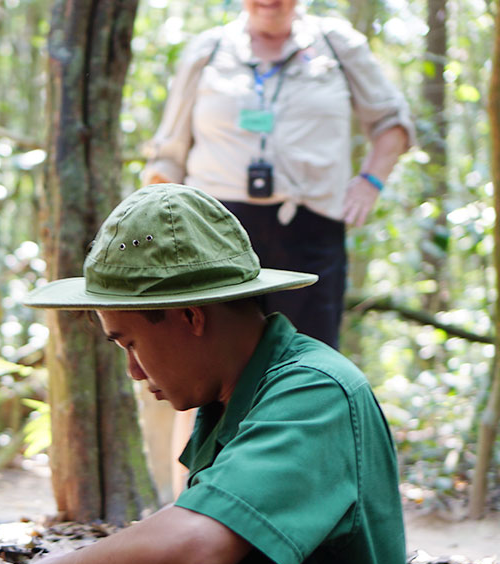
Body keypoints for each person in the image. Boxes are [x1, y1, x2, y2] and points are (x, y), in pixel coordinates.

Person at [0, 184, 408, 564]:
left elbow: (194, 543)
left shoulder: (314, 392)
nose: (133, 371)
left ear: (191, 317)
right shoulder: (232, 398)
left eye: (129, 343)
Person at [142, 0, 414, 350]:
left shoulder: (336, 44)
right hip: (213, 232)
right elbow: (168, 155)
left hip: (309, 232)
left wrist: (370, 182)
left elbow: (393, 122)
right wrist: (155, 232)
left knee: (306, 359)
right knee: (210, 357)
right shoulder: (209, 49)